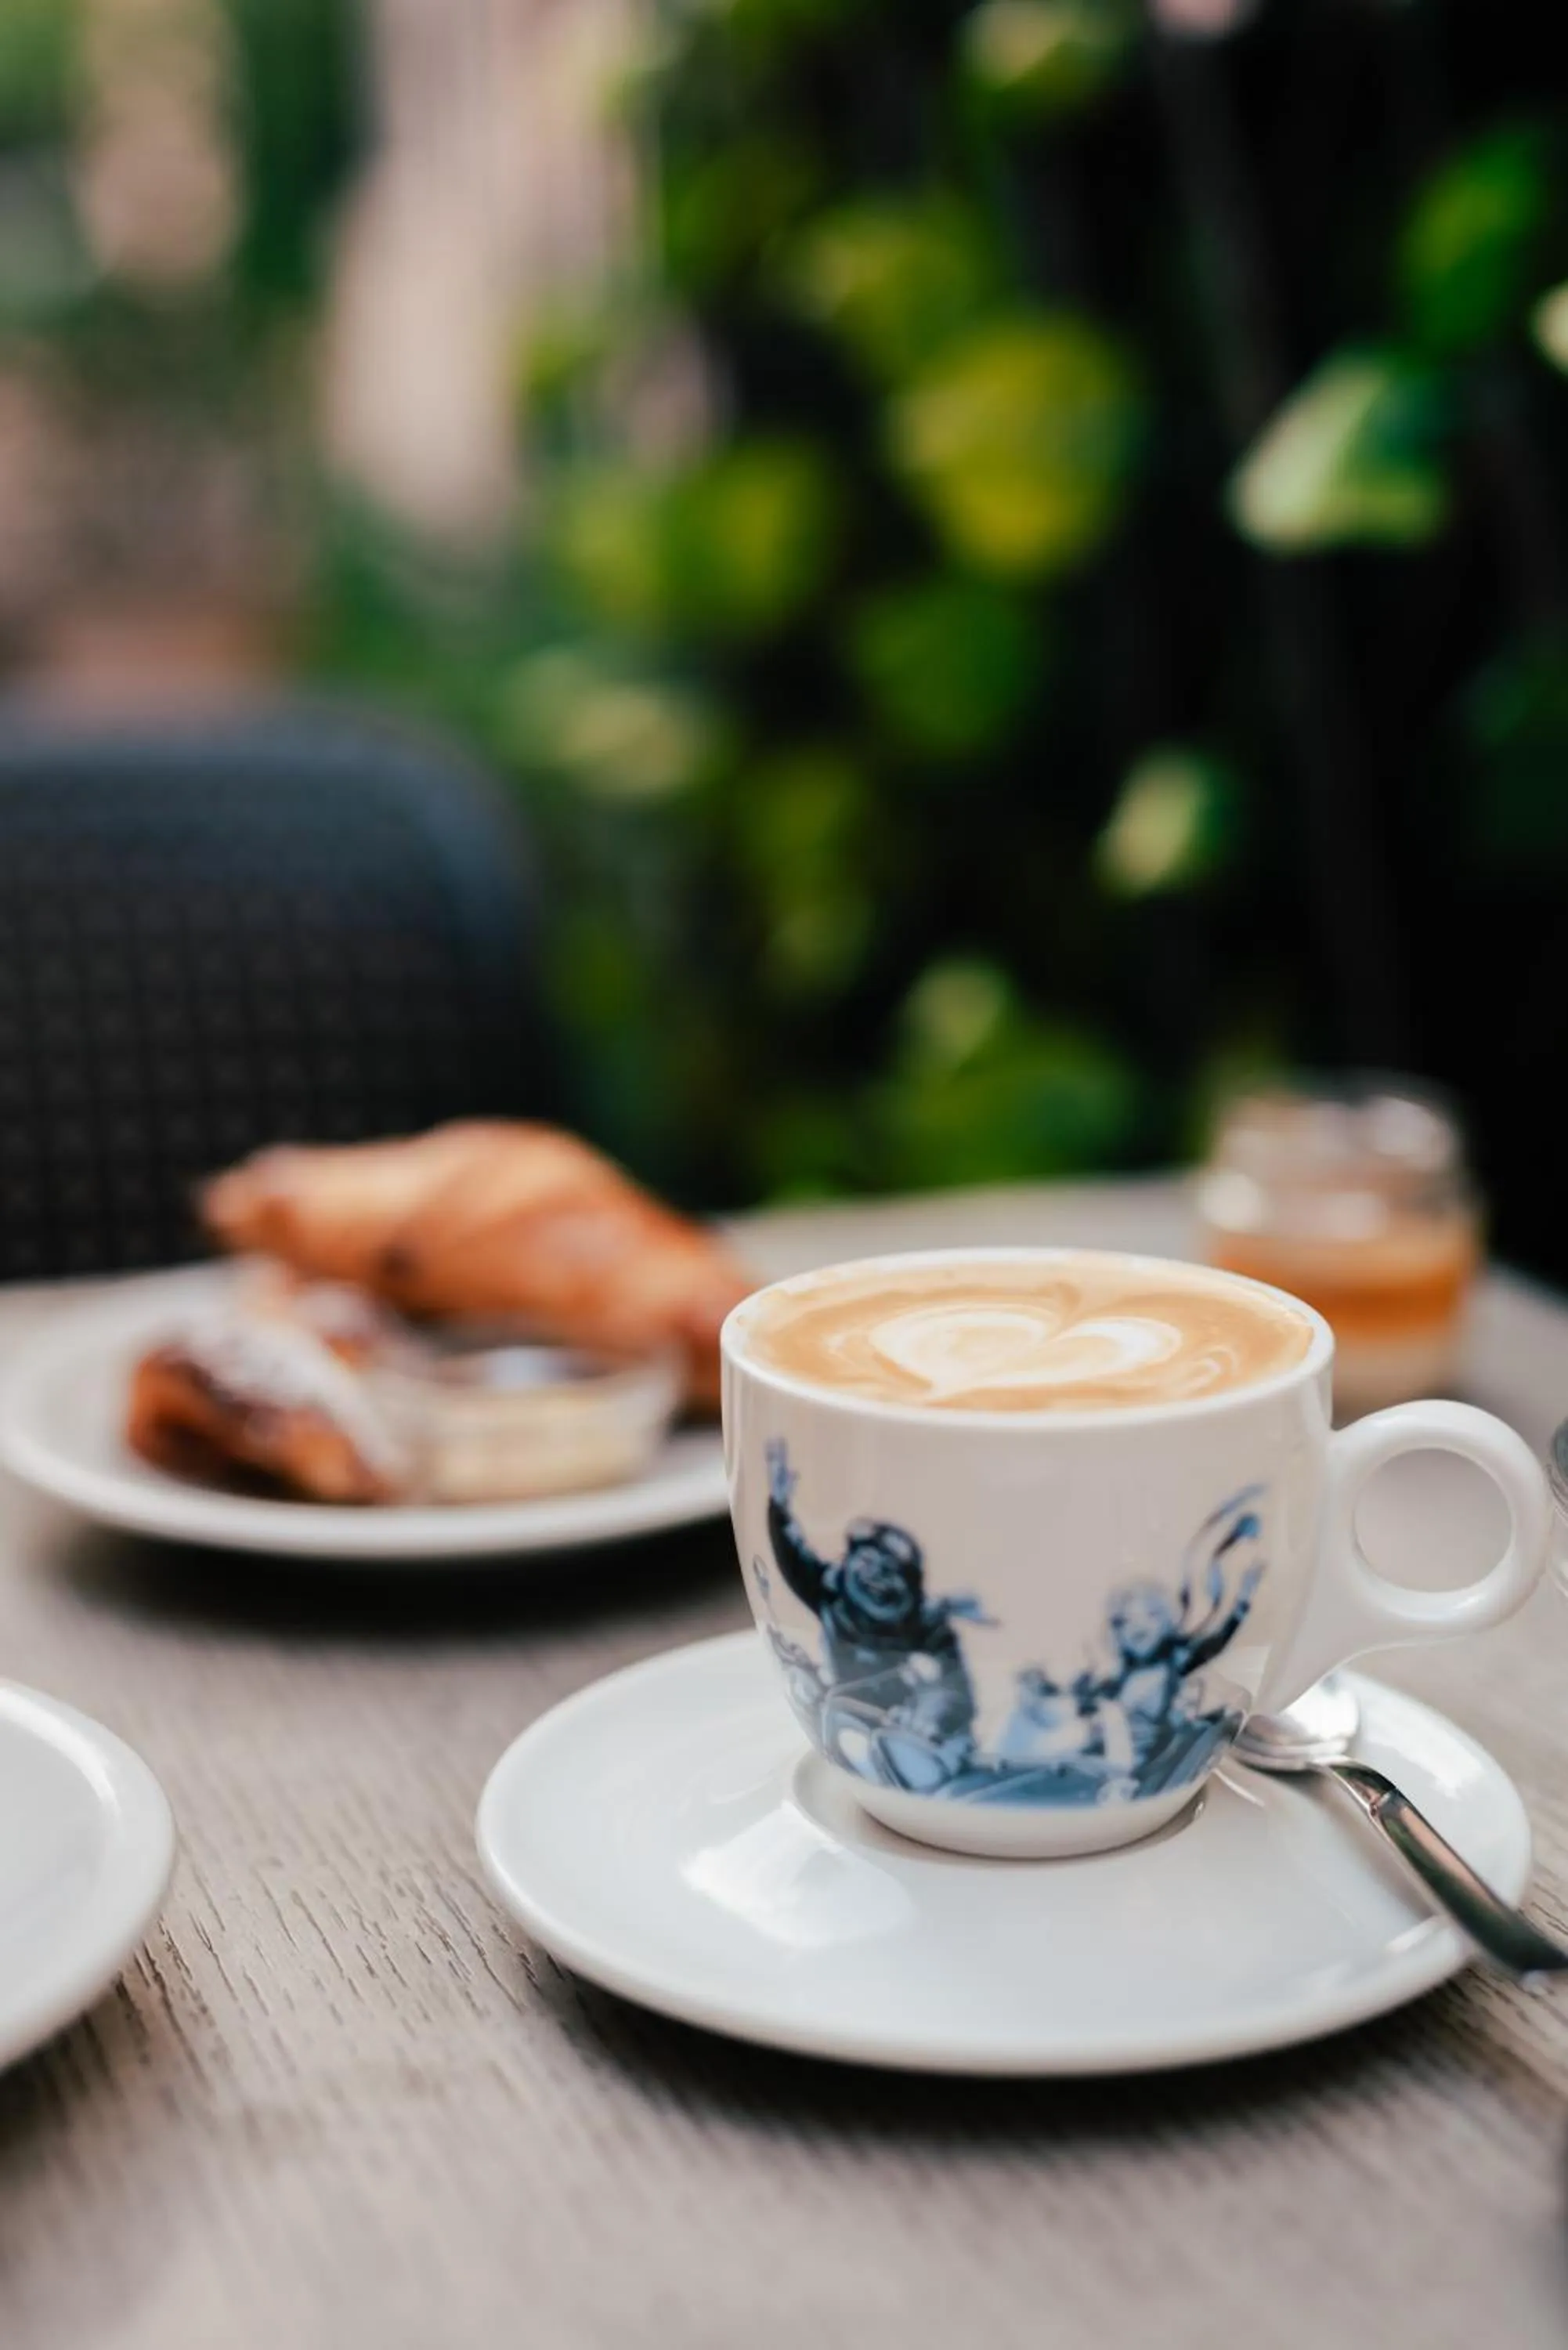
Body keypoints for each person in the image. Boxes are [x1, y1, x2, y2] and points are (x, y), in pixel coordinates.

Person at [761, 1439, 986, 1793]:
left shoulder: (927, 1626)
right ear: (849, 1562)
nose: (875, 1577)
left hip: (915, 1728)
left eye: (890, 1569)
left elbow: (953, 1690)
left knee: (928, 1759)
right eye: (868, 1562)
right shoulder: (833, 1595)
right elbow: (792, 1556)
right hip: (850, 1713)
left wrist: (927, 1716)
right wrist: (778, 1506)